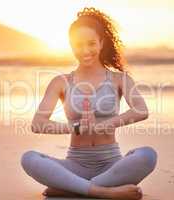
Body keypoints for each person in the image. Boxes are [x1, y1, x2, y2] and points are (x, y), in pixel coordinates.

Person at [21, 7, 157, 200]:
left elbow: (141, 111)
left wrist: (101, 126)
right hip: (74, 165)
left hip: (112, 165)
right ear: (70, 45)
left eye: (91, 43)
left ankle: (70, 188)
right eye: (78, 45)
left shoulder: (120, 79)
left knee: (147, 155)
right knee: (29, 158)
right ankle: (102, 191)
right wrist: (77, 128)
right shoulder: (61, 82)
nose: (85, 50)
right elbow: (38, 123)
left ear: (101, 43)